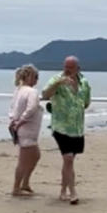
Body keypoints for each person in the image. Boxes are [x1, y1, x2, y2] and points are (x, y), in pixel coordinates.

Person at [41, 56, 91, 205]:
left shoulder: (84, 82)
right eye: (65, 66)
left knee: (68, 161)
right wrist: (57, 84)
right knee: (68, 158)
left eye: (70, 67)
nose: (67, 70)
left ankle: (63, 190)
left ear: (77, 68)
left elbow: (86, 102)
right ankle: (73, 192)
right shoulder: (57, 79)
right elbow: (45, 95)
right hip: (60, 126)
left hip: (76, 128)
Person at [8, 64, 43, 197]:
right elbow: (32, 107)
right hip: (26, 128)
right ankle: (16, 188)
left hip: (23, 128)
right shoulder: (31, 92)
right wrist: (21, 121)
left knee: (35, 155)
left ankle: (25, 183)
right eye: (35, 77)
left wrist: (13, 120)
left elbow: (12, 109)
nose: (37, 80)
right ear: (29, 77)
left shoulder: (18, 90)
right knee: (23, 160)